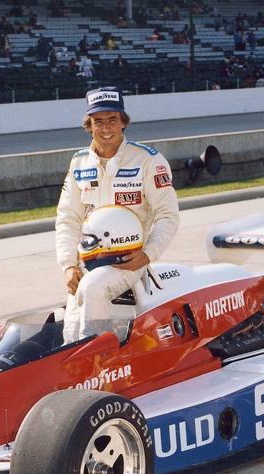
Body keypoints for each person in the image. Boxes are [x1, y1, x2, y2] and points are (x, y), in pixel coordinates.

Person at [55, 87, 179, 342]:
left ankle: (98, 361)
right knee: (70, 335)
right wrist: (68, 265)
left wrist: (148, 255)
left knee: (92, 290)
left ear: (124, 122)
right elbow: (68, 218)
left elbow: (168, 215)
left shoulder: (149, 161)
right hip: (86, 262)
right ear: (88, 125)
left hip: (128, 260)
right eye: (97, 121)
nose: (105, 127)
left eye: (112, 119)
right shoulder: (79, 163)